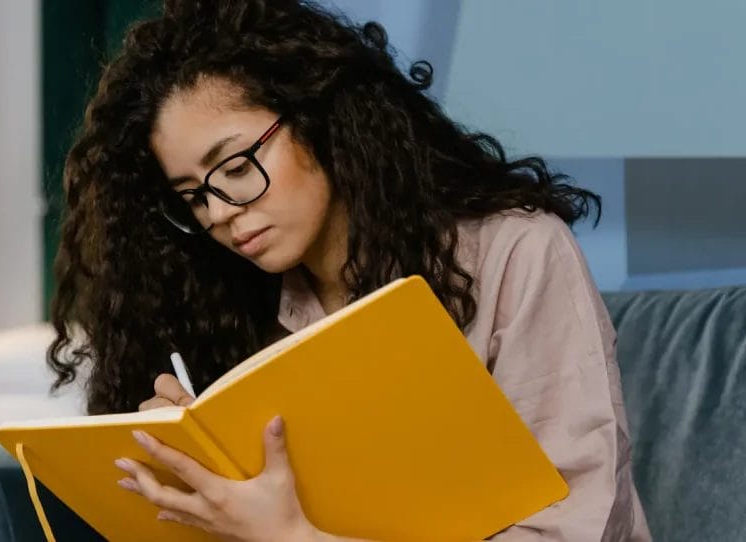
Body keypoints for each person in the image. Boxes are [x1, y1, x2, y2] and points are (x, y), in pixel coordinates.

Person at [46, 1, 651, 540]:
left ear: (320, 118)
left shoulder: (515, 252)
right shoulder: (230, 306)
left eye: (234, 167)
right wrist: (184, 478)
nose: (223, 214)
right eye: (193, 198)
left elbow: (577, 527)